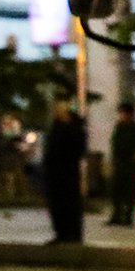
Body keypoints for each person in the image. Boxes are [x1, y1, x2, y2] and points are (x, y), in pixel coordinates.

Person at [40, 100, 90, 246]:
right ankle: (60, 233)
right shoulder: (55, 127)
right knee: (57, 205)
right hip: (54, 173)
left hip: (68, 173)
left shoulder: (74, 128)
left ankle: (71, 235)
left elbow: (78, 150)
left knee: (69, 204)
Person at [106, 101, 135, 226]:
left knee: (129, 192)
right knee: (116, 191)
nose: (122, 116)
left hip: (131, 164)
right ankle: (116, 215)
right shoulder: (119, 127)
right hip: (119, 163)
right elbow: (114, 145)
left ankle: (128, 217)